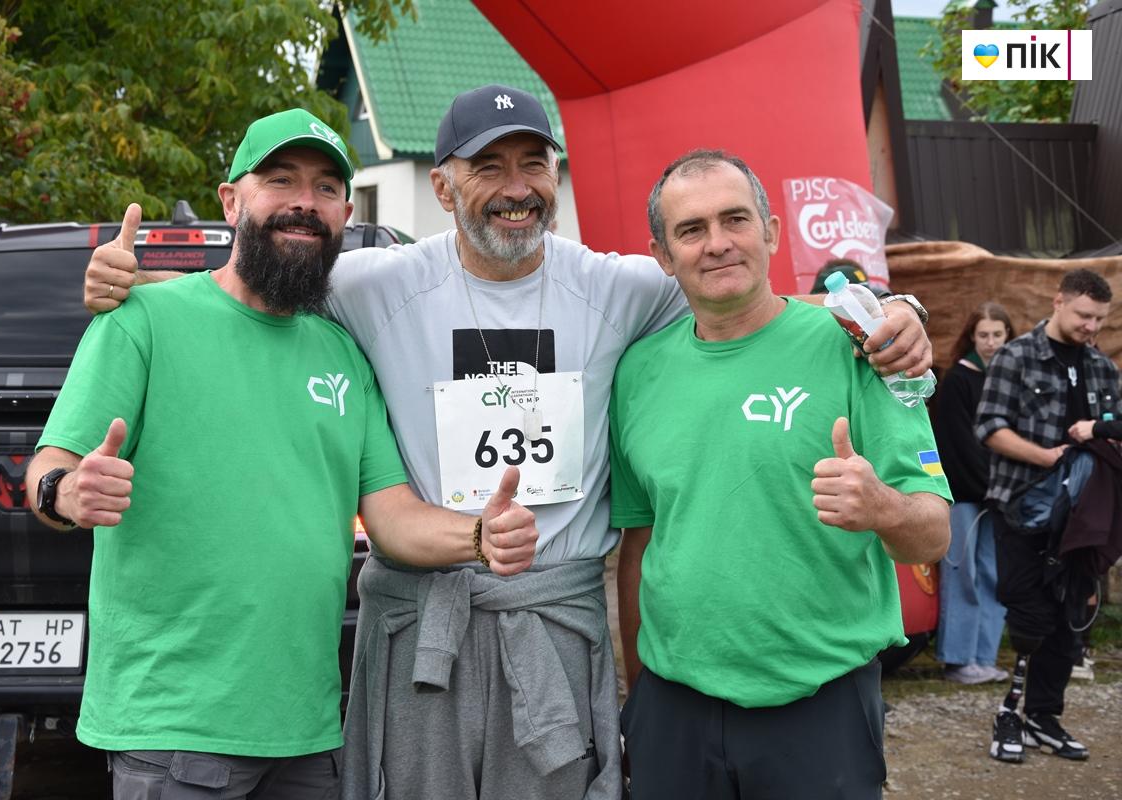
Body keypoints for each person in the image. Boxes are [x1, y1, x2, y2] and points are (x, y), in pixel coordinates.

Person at [83, 86, 935, 800]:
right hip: (426, 624)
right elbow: (254, 282)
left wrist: (892, 314)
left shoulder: (624, 286)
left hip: (553, 620)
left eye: (533, 163)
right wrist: (140, 283)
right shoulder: (371, 283)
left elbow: (741, 295)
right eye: (487, 166)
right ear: (443, 186)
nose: (515, 187)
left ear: (556, 176)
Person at [27, 109, 539, 800]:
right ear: (231, 201)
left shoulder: (343, 352)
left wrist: (479, 536)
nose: (305, 201)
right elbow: (49, 465)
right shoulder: (142, 322)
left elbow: (390, 515)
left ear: (346, 214)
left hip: (307, 733)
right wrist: (65, 492)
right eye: (280, 180)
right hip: (174, 729)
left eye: (326, 187)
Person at [610, 149, 951, 799]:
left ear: (769, 232)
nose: (717, 243)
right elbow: (641, 541)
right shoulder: (637, 373)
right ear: (663, 255)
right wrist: (639, 700)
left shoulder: (859, 347)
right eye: (691, 229)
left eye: (735, 219)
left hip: (819, 707)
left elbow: (933, 535)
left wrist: (884, 508)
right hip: (672, 711)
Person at [976, 268, 1118, 764]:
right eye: (1083, 315)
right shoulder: (1015, 356)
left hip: (1081, 519)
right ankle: (1009, 714)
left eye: (1099, 319)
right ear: (1058, 301)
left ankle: (1043, 717)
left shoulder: (1102, 367)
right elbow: (989, 427)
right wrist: (1048, 457)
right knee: (1030, 615)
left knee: (1068, 620)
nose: (1091, 327)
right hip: (1021, 507)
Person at [932, 302, 1015, 684]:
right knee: (962, 573)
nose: (991, 342)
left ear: (1008, 336)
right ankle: (958, 659)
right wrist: (986, 485)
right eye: (984, 335)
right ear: (971, 337)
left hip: (999, 496)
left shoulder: (1009, 377)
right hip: (966, 493)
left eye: (998, 334)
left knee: (992, 573)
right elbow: (958, 443)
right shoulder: (958, 380)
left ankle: (984, 656)